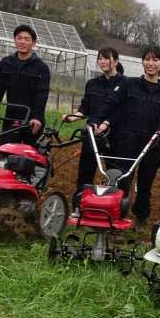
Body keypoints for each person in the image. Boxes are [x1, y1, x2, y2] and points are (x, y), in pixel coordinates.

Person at [89, 46, 160, 229]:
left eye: (155, 60)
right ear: (142, 62)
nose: (150, 64)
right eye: (147, 59)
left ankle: (141, 218)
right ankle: (116, 216)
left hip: (151, 143)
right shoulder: (129, 84)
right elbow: (110, 103)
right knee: (121, 181)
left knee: (145, 184)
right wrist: (96, 120)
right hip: (127, 140)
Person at [63, 47, 126, 213]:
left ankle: (115, 208)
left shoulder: (124, 84)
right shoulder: (92, 84)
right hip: (91, 132)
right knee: (85, 170)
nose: (103, 62)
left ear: (116, 62)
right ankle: (79, 205)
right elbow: (85, 106)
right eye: (100, 58)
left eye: (106, 58)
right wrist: (73, 117)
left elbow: (121, 110)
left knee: (114, 173)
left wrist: (106, 123)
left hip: (114, 135)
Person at [0, 24, 51, 145]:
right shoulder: (6, 63)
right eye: (19, 38)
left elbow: (42, 94)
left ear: (34, 42)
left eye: (26, 39)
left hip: (32, 120)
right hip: (11, 117)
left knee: (30, 157)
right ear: (14, 40)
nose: (22, 42)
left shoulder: (41, 67)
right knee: (5, 153)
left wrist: (37, 116)